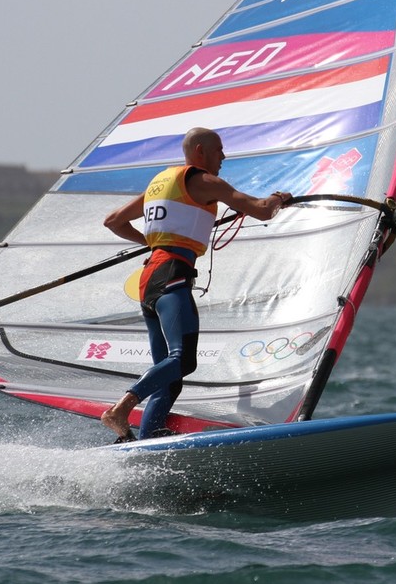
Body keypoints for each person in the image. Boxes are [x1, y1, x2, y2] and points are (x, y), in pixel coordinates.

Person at [101, 127, 293, 442]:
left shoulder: (160, 183)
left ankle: (145, 446)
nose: (224, 157)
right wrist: (278, 198)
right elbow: (260, 210)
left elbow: (113, 221)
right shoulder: (203, 181)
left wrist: (153, 243)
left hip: (149, 278)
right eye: (219, 150)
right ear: (201, 151)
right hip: (172, 274)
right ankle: (121, 409)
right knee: (183, 359)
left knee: (170, 376)